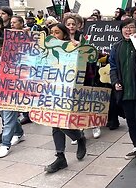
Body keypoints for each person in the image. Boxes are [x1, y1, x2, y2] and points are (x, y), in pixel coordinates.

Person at [44, 23, 87, 173]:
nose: (54, 35)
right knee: (54, 122)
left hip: (68, 91)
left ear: (64, 34)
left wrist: (78, 48)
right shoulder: (47, 50)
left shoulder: (72, 47)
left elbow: (85, 63)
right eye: (51, 32)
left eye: (57, 32)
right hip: (51, 90)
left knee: (61, 123)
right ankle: (60, 156)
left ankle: (78, 137)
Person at [109, 18, 136, 167]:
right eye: (125, 28)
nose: (128, 30)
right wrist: (115, 82)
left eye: (131, 27)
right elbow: (112, 66)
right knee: (131, 121)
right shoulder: (116, 47)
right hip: (125, 93)